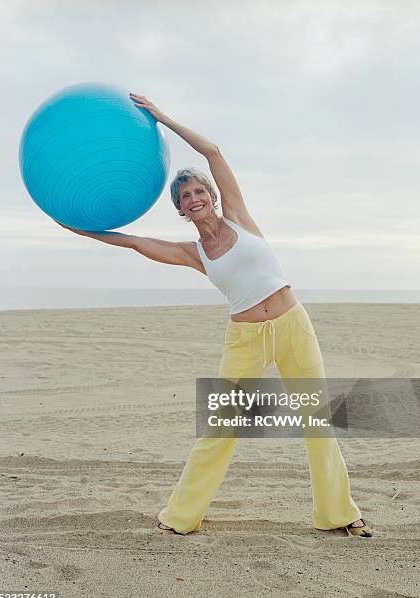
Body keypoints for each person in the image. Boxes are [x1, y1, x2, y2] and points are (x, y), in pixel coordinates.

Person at [56, 92, 372, 538]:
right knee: (219, 430)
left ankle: (340, 513)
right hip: (244, 340)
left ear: (212, 195)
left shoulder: (240, 217)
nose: (195, 197)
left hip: (293, 326)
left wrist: (162, 118)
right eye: (185, 196)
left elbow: (213, 152)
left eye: (199, 190)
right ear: (181, 210)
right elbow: (130, 241)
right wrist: (75, 226)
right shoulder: (194, 253)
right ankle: (180, 517)